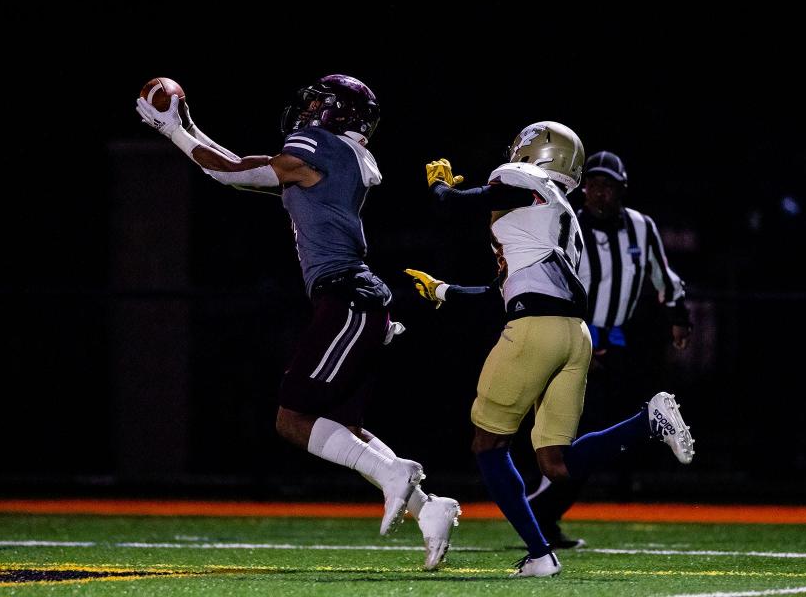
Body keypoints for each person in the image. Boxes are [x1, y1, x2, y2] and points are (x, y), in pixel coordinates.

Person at [135, 74, 460, 570]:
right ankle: (429, 507)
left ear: (336, 112)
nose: (307, 110)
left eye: (317, 103)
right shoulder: (336, 157)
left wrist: (172, 131)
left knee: (292, 420)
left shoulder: (320, 148)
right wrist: (186, 125)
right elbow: (243, 168)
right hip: (361, 301)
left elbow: (232, 171)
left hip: (348, 297)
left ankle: (398, 476)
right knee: (347, 427)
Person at [405, 122, 694, 578]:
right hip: (574, 336)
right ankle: (648, 421)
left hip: (535, 329)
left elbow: (453, 207)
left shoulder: (523, 179)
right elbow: (507, 284)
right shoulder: (560, 214)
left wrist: (441, 187)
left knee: (488, 443)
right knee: (555, 463)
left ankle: (540, 554)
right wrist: (445, 292)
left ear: (541, 151)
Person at [527, 150, 695, 548]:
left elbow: (662, 275)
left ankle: (543, 515)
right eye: (594, 184)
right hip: (571, 340)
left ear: (621, 189)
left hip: (618, 347)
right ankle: (537, 513)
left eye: (608, 185)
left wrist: (678, 315)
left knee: (603, 437)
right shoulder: (568, 222)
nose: (599, 193)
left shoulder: (641, 227)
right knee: (570, 435)